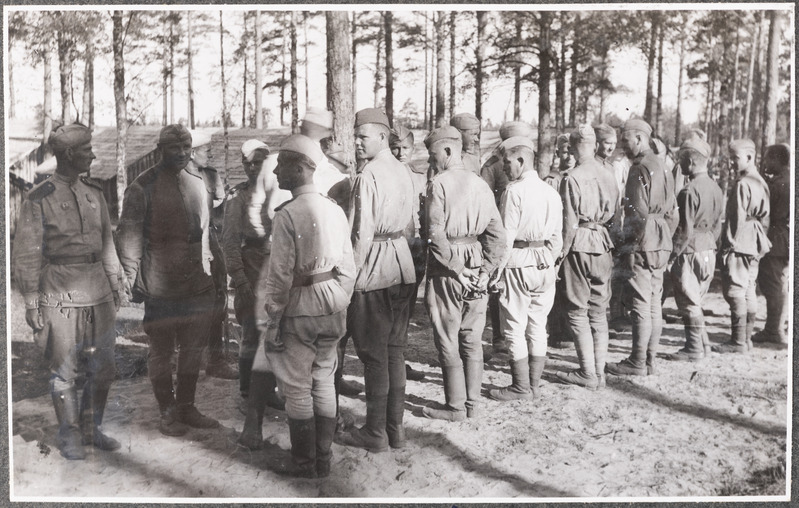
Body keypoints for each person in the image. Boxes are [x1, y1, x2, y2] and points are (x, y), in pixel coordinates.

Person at [13, 123, 122, 460]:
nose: (92, 153)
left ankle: (92, 427)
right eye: (87, 149)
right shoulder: (38, 198)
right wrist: (32, 303)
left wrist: (115, 284)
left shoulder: (95, 193)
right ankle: (70, 434)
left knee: (103, 367)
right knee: (65, 369)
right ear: (70, 154)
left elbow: (107, 245)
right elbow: (27, 254)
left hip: (98, 290)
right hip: (59, 292)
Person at [260, 134, 356, 478]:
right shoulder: (333, 209)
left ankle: (304, 463)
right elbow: (348, 266)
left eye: (283, 164)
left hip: (300, 307)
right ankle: (323, 459)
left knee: (297, 387)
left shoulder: (287, 215)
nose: (276, 171)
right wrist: (339, 299)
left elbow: (280, 276)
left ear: (301, 169)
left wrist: (273, 319)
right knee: (324, 381)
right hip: (332, 304)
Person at [118, 124, 220, 436]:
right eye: (173, 148)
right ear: (160, 149)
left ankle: (187, 406)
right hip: (160, 281)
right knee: (161, 349)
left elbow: (206, 232)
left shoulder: (198, 181)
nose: (181, 154)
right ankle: (168, 410)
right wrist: (131, 279)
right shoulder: (141, 187)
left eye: (186, 147)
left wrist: (213, 271)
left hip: (196, 279)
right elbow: (129, 237)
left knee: (192, 347)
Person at [337, 108, 416, 452]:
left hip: (376, 270)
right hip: (403, 267)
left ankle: (374, 432)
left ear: (382, 136)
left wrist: (348, 279)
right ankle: (394, 430)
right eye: (355, 137)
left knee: (373, 356)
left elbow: (361, 233)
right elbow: (411, 228)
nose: (356, 143)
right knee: (394, 352)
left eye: (362, 137)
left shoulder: (369, 174)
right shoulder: (403, 171)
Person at [422, 126, 506, 421]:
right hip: (476, 261)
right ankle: (473, 404)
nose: (431, 163)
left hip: (448, 267)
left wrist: (457, 270)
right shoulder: (480, 183)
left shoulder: (439, 184)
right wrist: (485, 271)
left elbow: (435, 234)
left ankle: (455, 407)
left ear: (447, 151)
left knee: (447, 336)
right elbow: (498, 234)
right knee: (472, 335)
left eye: (433, 156)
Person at [487, 135, 561, 401]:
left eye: (508, 163)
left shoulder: (514, 191)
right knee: (538, 325)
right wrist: (549, 262)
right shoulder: (552, 192)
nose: (505, 168)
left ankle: (520, 387)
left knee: (515, 326)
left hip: (519, 260)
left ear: (521, 160)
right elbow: (557, 237)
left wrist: (496, 271)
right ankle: (534, 384)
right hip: (544, 263)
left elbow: (506, 237)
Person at [606, 119, 676, 377]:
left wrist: (627, 244)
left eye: (625, 141)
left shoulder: (639, 168)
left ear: (638, 139)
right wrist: (665, 236)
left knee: (640, 304)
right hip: (661, 240)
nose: (623, 147)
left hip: (643, 242)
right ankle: (649, 360)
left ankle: (636, 360)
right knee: (655, 303)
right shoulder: (665, 167)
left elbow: (637, 214)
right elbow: (674, 213)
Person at [555, 125, 619, 390]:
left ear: (572, 147)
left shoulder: (572, 178)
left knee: (577, 311)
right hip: (603, 243)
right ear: (594, 145)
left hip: (580, 243)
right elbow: (617, 216)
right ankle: (600, 372)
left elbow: (569, 223)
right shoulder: (609, 174)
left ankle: (587, 372)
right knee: (599, 311)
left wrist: (560, 255)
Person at [665, 137, 723, 361]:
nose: (679, 166)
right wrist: (709, 245)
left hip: (690, 250)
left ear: (689, 162)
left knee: (688, 303)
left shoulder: (688, 191)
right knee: (697, 300)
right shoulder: (716, 188)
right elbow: (718, 224)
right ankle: (704, 345)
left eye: (681, 161)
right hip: (708, 248)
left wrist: (673, 254)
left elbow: (684, 229)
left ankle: (693, 348)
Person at [480, 121, 536, 357]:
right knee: (497, 284)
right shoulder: (492, 166)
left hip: (523, 233)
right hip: (499, 231)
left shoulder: (525, 164)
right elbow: (484, 200)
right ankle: (499, 337)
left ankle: (518, 335)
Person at [189, 131, 239, 380]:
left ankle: (216, 359)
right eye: (204, 150)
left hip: (211, 241)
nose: (209, 154)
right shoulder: (176, 179)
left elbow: (217, 205)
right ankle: (190, 360)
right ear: (191, 152)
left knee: (218, 300)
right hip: (187, 247)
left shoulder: (210, 175)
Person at [714, 139, 771, 353]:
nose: (730, 164)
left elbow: (735, 219)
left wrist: (728, 246)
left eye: (734, 159)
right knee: (749, 289)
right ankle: (746, 340)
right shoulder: (760, 181)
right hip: (755, 239)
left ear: (749, 157)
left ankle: (738, 342)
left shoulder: (742, 184)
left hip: (741, 240)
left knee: (736, 290)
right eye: (729, 159)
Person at [390, 124, 427, 382]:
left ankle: (398, 359)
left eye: (405, 148)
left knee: (407, 308)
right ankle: (390, 362)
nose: (400, 152)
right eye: (395, 147)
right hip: (391, 248)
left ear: (413, 150)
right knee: (390, 307)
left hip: (415, 248)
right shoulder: (381, 174)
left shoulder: (420, 177)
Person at [753, 144, 790, 345]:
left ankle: (774, 331)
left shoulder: (779, 184)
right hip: (785, 237)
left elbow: (770, 213)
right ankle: (774, 328)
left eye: (768, 159)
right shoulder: (788, 179)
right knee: (780, 283)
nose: (766, 163)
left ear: (777, 159)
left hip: (776, 238)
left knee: (773, 285)